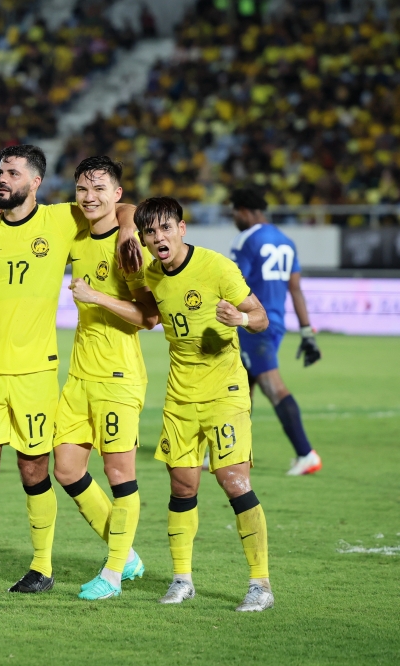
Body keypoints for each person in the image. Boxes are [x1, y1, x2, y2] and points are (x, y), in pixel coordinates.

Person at [0, 145, 141, 598]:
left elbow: (122, 203)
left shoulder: (62, 220)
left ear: (34, 183)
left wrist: (130, 227)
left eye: (12, 172)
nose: (2, 178)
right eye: (0, 171)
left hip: (37, 373)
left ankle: (43, 567)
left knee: (36, 469)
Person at [136, 196, 275, 613]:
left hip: (225, 392)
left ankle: (260, 584)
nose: (158, 238)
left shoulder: (216, 267)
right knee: (182, 485)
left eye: (165, 228)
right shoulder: (151, 275)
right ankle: (182, 579)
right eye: (150, 232)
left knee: (234, 480)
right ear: (144, 238)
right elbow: (147, 316)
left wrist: (242, 320)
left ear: (182, 228)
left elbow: (261, 316)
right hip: (180, 395)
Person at [54, 157, 157, 600]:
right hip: (80, 375)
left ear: (117, 193)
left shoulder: (129, 247)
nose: (89, 196)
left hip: (118, 375)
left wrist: (96, 296)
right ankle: (127, 555)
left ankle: (114, 574)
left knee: (119, 475)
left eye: (100, 188)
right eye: (82, 188)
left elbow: (149, 316)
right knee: (66, 467)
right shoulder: (76, 235)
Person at [230, 187, 321, 476]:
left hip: (253, 323)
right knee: (242, 387)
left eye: (235, 213)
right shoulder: (286, 241)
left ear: (244, 211)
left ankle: (306, 453)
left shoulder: (246, 239)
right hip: (276, 323)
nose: (234, 219)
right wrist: (307, 331)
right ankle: (231, 453)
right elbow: (295, 288)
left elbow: (234, 282)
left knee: (272, 386)